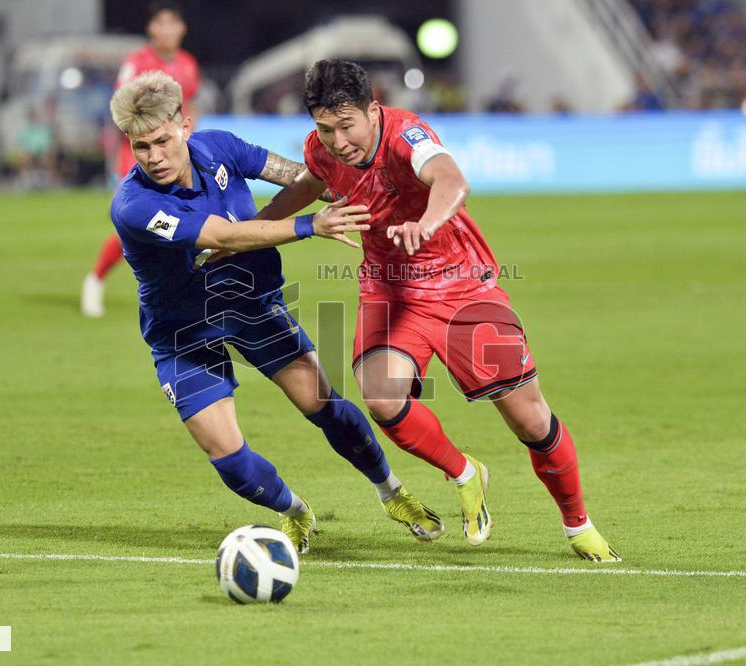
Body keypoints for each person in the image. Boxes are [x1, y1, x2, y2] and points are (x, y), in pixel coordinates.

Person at [257, 59, 620, 560]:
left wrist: (426, 222)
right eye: (325, 128)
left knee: (530, 422)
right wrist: (250, 233)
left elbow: (452, 181)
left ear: (372, 109)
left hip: (460, 285)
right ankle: (465, 473)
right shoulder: (320, 149)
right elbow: (308, 186)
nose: (338, 140)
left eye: (347, 126)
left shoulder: (408, 135)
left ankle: (578, 525)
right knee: (382, 398)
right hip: (389, 286)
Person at [107, 71, 444, 553]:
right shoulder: (134, 206)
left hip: (251, 307)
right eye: (141, 148)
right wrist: (312, 225)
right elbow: (223, 237)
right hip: (181, 331)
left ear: (185, 125)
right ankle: (295, 511)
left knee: (324, 406)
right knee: (227, 458)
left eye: (162, 141)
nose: (154, 157)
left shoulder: (219, 146)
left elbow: (294, 175)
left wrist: (351, 186)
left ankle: (393, 492)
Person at [82, 0, 202, 317]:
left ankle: (179, 293)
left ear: (183, 28)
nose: (167, 30)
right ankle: (95, 281)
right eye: (161, 24)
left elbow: (189, 106)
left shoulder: (188, 64)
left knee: (179, 221)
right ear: (151, 29)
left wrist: (192, 142)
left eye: (173, 24)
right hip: (138, 158)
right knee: (138, 222)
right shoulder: (138, 63)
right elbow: (122, 110)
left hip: (177, 154)